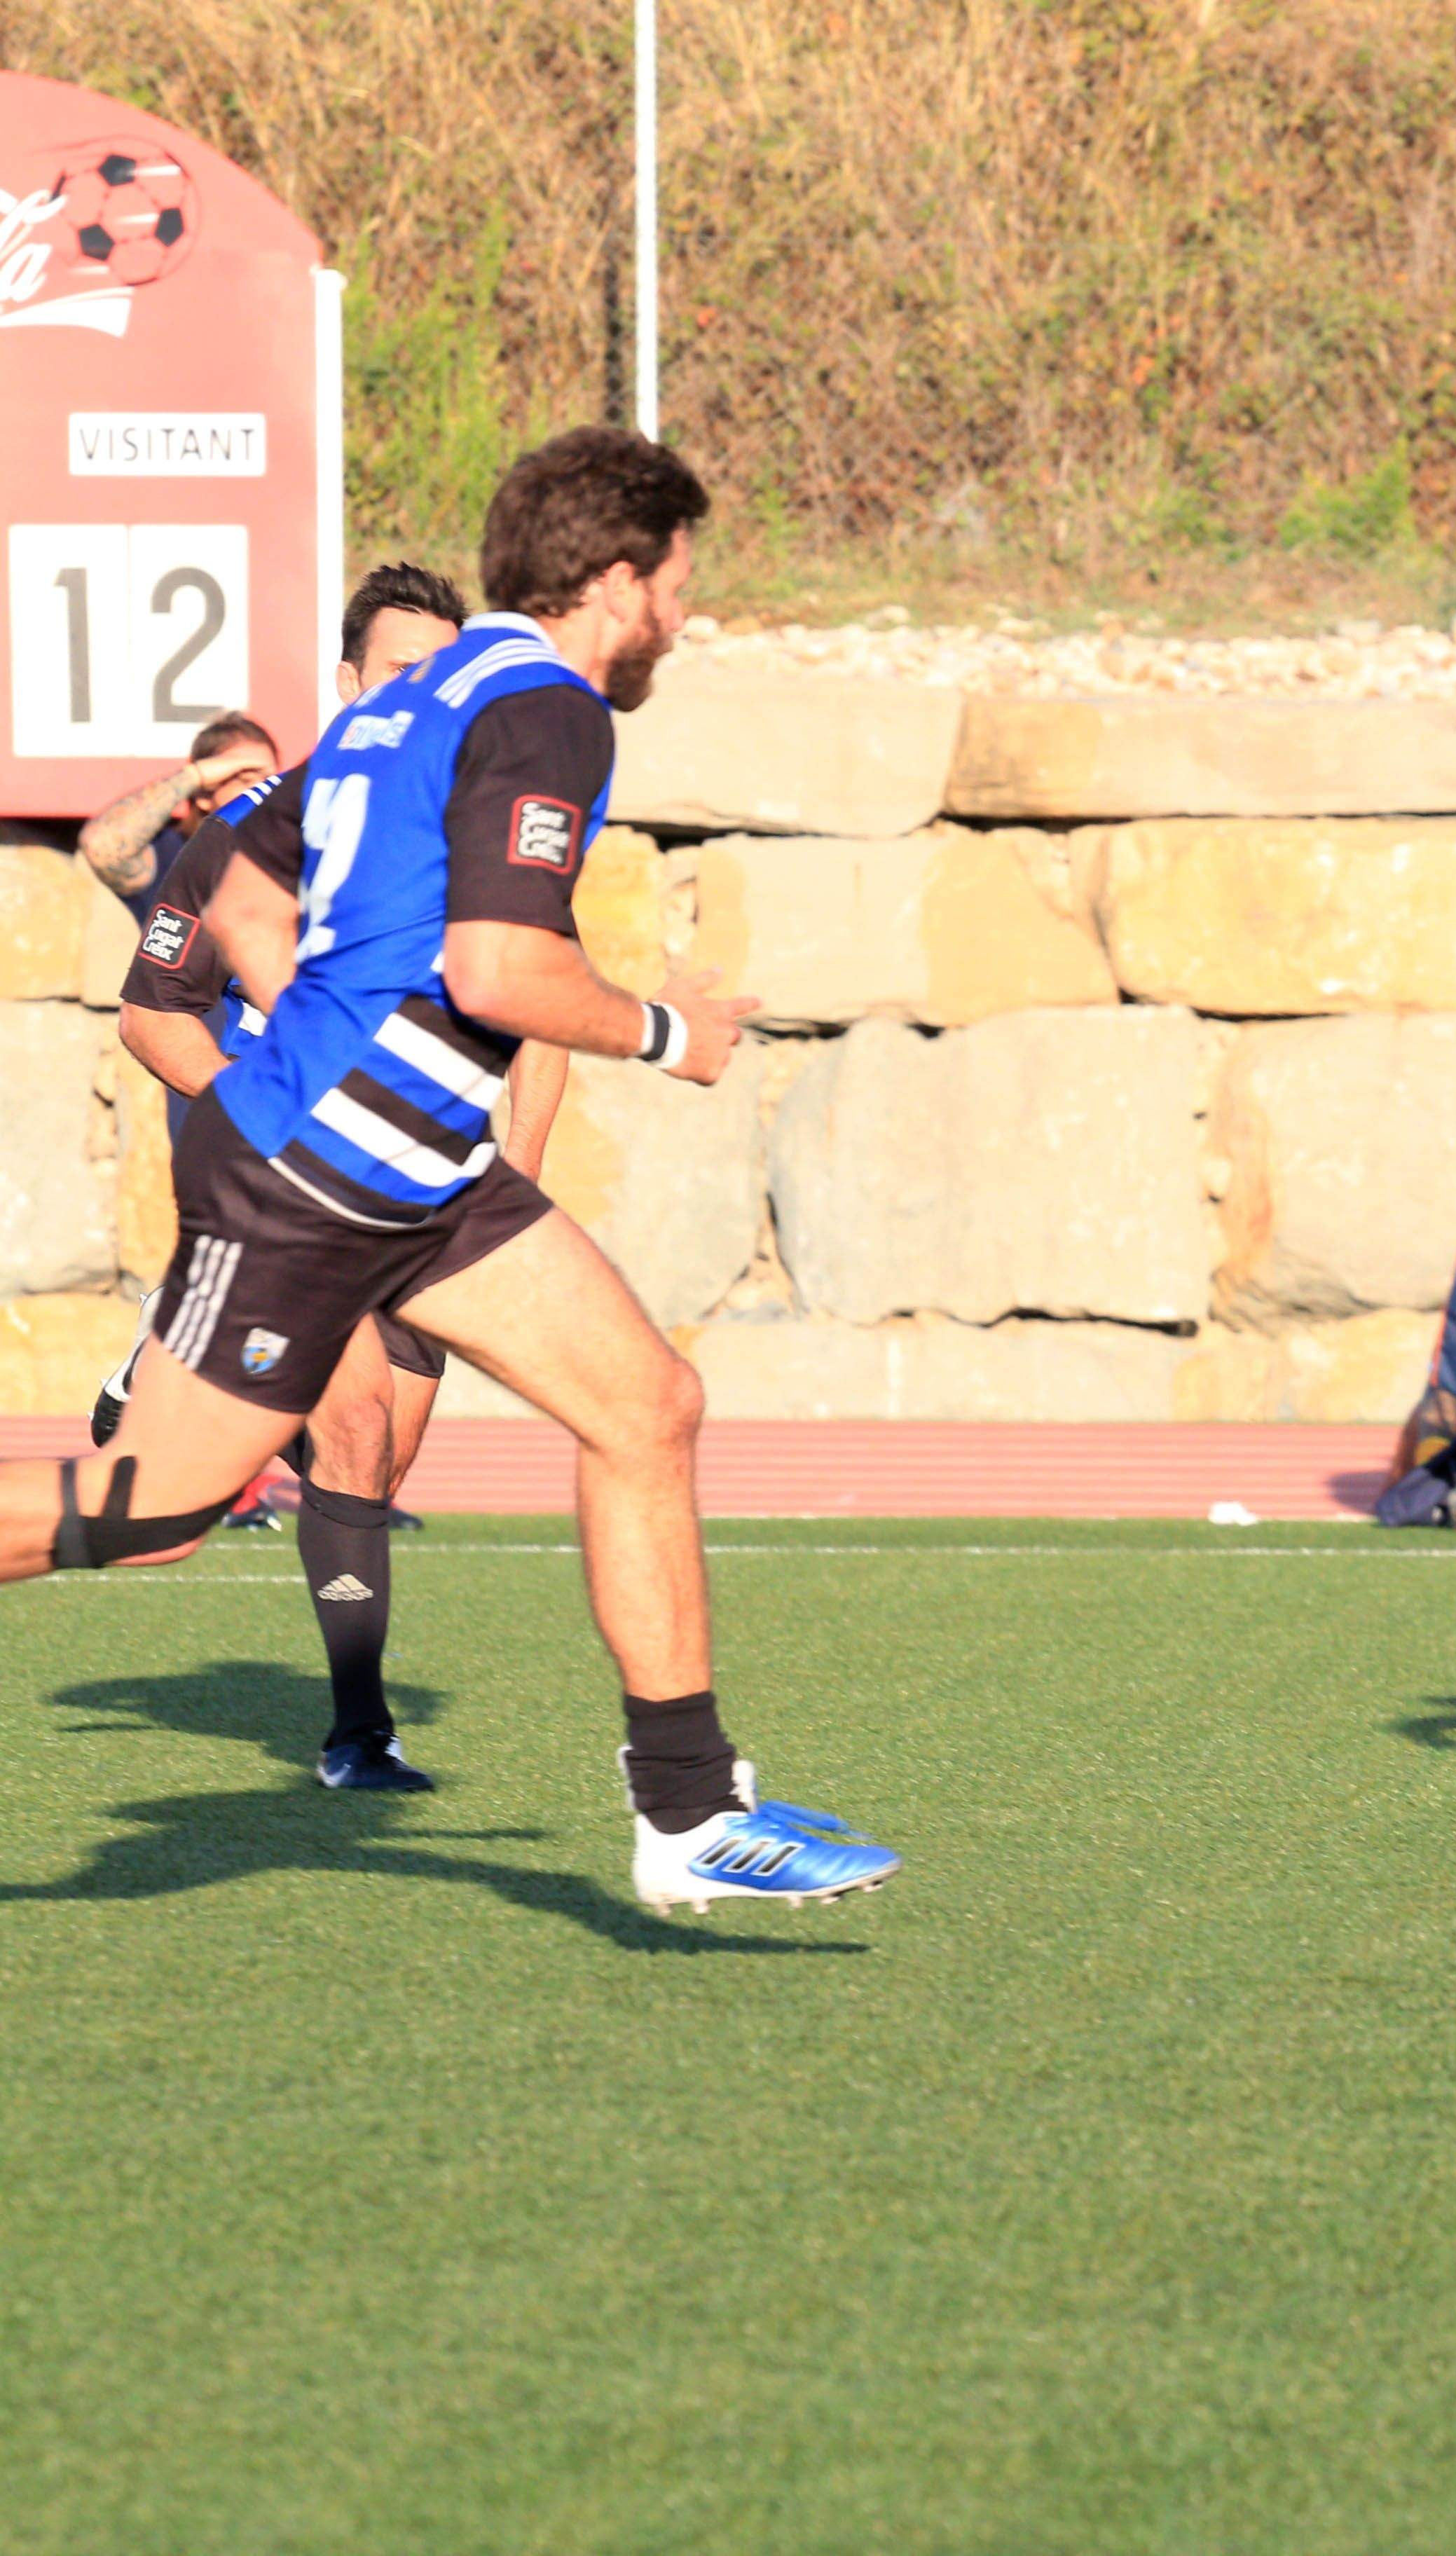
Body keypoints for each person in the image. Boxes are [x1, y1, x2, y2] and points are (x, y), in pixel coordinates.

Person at [0, 427, 899, 1914]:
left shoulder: (411, 700)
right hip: (314, 1177)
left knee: (648, 1404)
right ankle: (684, 1812)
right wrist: (667, 1030)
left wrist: (329, 1014)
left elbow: (237, 885)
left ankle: (688, 1817)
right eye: (679, 583)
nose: (685, 614)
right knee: (152, 1511)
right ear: (617, 582)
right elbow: (497, 970)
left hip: (423, 1174)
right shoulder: (551, 712)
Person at [99, 563, 544, 1790]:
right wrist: (264, 1118)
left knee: (377, 1465)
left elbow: (537, 1020)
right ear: (349, 684)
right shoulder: (261, 829)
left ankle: (184, 1363)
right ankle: (359, 1735)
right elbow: (152, 1015)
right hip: (302, 1183)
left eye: (441, 672)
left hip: (436, 1181)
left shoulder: (485, 826)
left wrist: (518, 1183)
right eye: (398, 669)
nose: (422, 691)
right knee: (346, 1430)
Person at [76, 710, 277, 923]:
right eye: (245, 780)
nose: (263, 794)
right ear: (204, 795)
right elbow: (101, 845)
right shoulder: (171, 855)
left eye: (271, 782)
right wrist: (194, 775)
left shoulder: (288, 858)